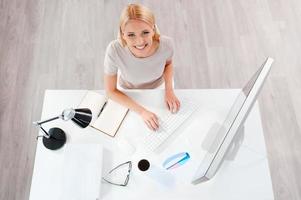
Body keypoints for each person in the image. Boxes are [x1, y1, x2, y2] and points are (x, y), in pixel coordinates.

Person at [104, 3, 180, 131]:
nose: (139, 42)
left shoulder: (167, 44)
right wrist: (142, 112)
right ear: (122, 34)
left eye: (145, 32)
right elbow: (110, 91)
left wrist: (169, 90)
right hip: (128, 91)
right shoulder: (114, 50)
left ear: (153, 29)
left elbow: (168, 64)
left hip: (160, 87)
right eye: (131, 35)